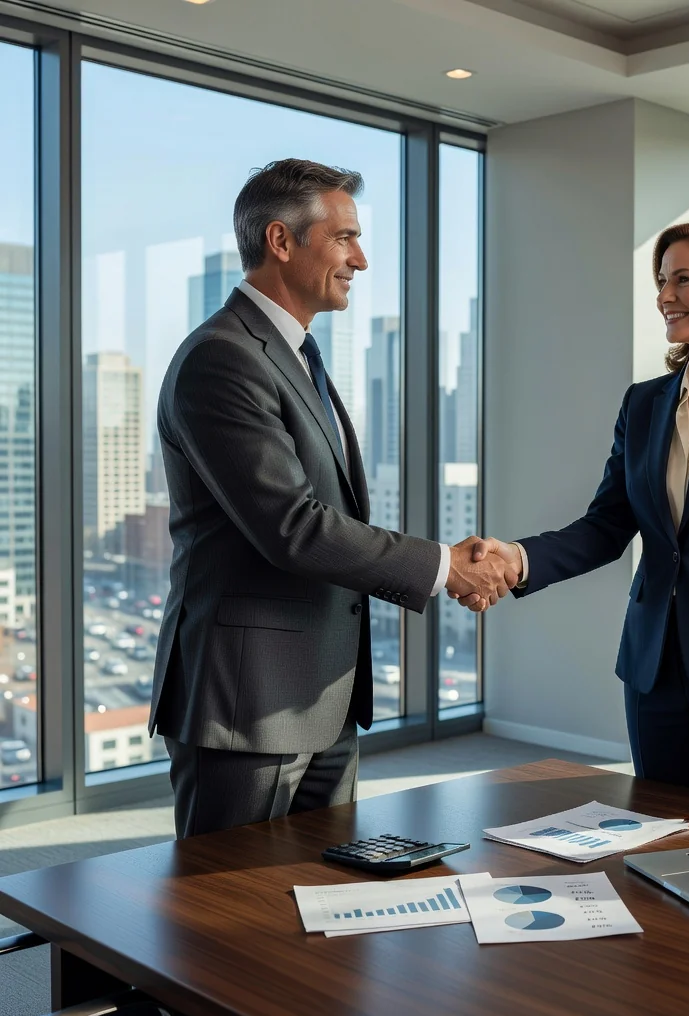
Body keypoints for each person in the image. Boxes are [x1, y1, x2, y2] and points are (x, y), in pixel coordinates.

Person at [151, 159, 515, 838]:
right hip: (249, 705)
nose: (362, 259)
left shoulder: (296, 356)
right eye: (344, 237)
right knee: (226, 916)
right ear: (282, 241)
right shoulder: (222, 358)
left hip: (324, 696)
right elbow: (292, 525)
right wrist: (444, 566)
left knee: (322, 908)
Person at [462, 219, 689, 804]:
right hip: (653, 668)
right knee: (655, 833)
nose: (664, 296)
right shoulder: (644, 404)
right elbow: (607, 525)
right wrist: (517, 556)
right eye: (662, 280)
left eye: (683, 280)